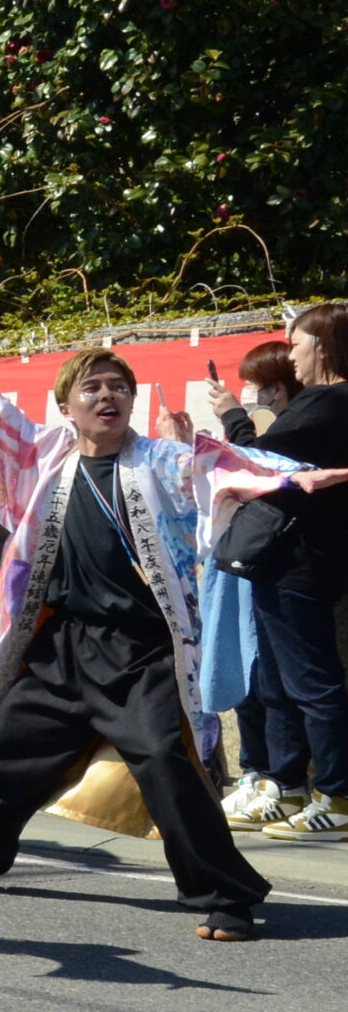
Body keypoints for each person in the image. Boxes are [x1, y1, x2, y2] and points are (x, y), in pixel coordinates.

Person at [0, 291, 348, 940]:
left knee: (165, 762)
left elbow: (228, 470)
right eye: (93, 387)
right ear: (67, 405)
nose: (108, 396)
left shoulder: (162, 462)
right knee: (7, 750)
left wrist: (291, 480)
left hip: (140, 650)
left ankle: (226, 894)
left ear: (133, 401)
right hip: (63, 645)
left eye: (119, 387)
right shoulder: (40, 456)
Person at [211, 340, 300, 829]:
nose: (250, 393)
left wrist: (232, 418)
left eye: (258, 385)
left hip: (286, 564)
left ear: (278, 385)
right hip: (245, 557)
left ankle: (287, 782)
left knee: (286, 681)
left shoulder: (307, 421)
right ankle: (258, 772)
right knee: (250, 671)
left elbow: (265, 464)